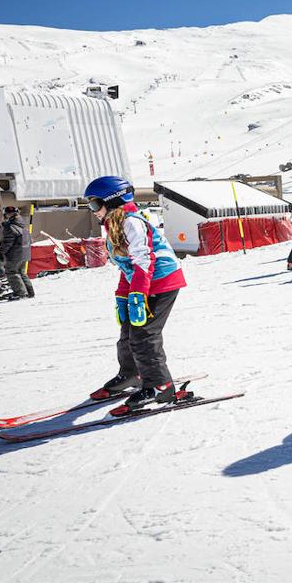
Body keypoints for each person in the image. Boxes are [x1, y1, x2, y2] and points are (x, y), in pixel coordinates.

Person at [84, 175, 187, 410]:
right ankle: (131, 374)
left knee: (144, 335)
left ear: (110, 201)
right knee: (128, 331)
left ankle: (161, 386)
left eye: (94, 204)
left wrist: (138, 295)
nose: (93, 211)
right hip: (144, 281)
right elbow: (126, 266)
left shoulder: (132, 222)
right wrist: (123, 295)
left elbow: (144, 262)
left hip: (162, 281)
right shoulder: (114, 225)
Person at [0, 205, 34, 300]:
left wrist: (0, 252)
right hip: (25, 251)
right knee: (21, 272)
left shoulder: (10, 226)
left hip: (16, 252)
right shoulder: (22, 225)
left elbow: (8, 242)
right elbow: (26, 239)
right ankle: (29, 292)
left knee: (11, 271)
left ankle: (20, 293)